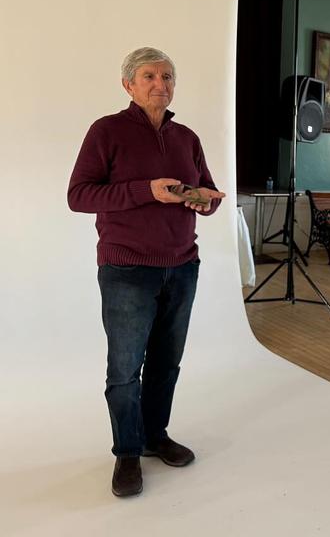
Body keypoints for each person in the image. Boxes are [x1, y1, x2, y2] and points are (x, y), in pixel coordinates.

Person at [68, 47, 226, 497]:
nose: (161, 84)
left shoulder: (187, 138)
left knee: (165, 364)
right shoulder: (107, 131)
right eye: (150, 76)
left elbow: (202, 194)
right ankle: (127, 453)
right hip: (126, 269)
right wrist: (146, 191)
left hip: (182, 266)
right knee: (124, 370)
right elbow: (79, 195)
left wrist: (204, 200)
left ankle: (155, 437)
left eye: (168, 76)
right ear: (129, 86)